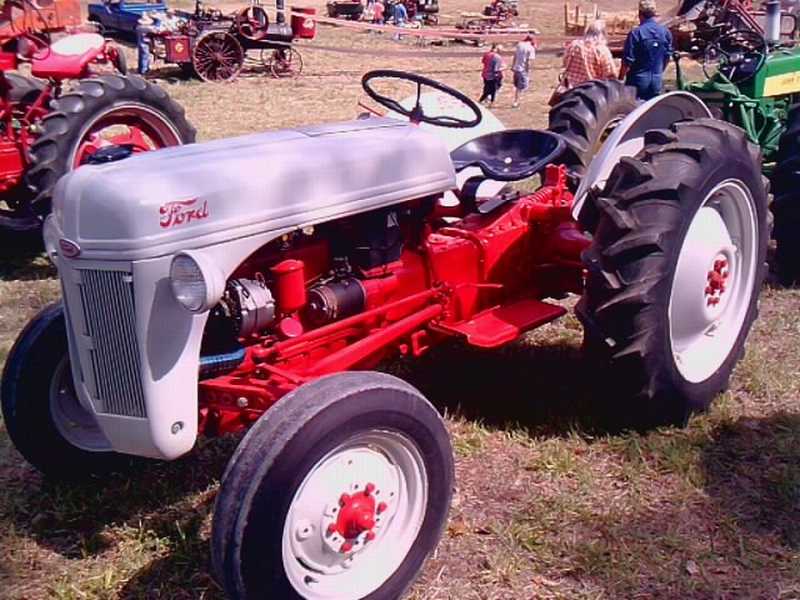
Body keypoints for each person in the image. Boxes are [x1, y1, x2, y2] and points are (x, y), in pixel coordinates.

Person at [619, 0, 673, 100]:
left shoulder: (636, 33)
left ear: (640, 14)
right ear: (654, 14)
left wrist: (620, 80)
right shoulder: (665, 32)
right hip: (656, 82)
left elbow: (627, 61)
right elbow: (667, 57)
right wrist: (658, 73)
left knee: (634, 109)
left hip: (637, 82)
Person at [561, 19, 616, 90]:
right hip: (592, 89)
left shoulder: (573, 45)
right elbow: (611, 74)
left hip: (570, 87)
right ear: (603, 34)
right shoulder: (602, 50)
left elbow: (565, 62)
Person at [511, 34, 535, 108]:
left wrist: (513, 65)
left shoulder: (519, 45)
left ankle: (517, 100)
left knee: (518, 86)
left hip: (516, 68)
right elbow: (528, 61)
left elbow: (515, 56)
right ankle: (516, 101)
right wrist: (528, 71)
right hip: (522, 69)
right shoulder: (530, 48)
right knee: (521, 87)